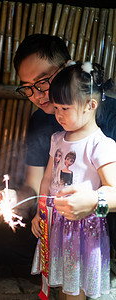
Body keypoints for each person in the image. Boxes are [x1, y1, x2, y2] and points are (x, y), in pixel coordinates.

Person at [0, 34, 116, 272]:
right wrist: (15, 198)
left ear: (67, 68)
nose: (36, 95)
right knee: (2, 242)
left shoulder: (111, 116)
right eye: (27, 88)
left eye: (42, 82)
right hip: (61, 222)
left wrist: (94, 201)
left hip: (103, 220)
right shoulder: (42, 122)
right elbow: (36, 188)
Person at [32, 61, 116, 299]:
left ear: (90, 105)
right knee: (57, 278)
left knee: (74, 286)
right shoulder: (57, 139)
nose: (58, 114)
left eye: (65, 108)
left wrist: (91, 201)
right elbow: (47, 179)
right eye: (56, 107)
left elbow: (114, 189)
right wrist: (40, 213)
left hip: (82, 229)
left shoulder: (101, 145)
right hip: (54, 224)